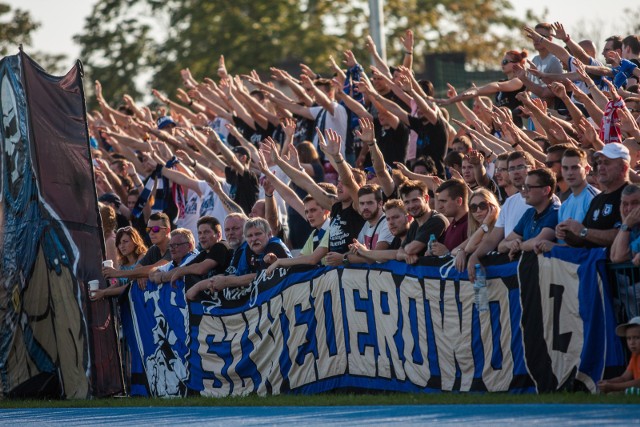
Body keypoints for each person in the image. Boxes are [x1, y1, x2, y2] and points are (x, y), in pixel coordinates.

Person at [467, 151, 535, 281]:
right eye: (511, 169)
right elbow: (493, 241)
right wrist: (474, 256)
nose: (515, 172)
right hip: (513, 276)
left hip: (534, 271)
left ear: (533, 169)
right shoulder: (509, 203)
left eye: (520, 167)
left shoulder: (544, 200)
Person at [557, 143, 630, 249]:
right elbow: (583, 240)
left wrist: (582, 231)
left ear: (624, 168)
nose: (601, 167)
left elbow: (623, 235)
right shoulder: (597, 199)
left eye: (607, 163)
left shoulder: (632, 196)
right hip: (595, 264)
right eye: (599, 162)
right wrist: (567, 233)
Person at [498, 169, 559, 260]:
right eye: (524, 187)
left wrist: (519, 246)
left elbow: (538, 242)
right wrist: (510, 244)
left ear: (545, 190)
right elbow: (501, 246)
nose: (524, 191)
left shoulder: (555, 212)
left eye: (528, 187)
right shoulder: (529, 213)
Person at [157, 216, 232, 287]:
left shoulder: (221, 246)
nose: (202, 236)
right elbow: (186, 267)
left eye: (206, 232)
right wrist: (162, 277)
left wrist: (180, 272)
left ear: (218, 235)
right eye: (200, 233)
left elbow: (201, 269)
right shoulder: (205, 252)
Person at [102, 212, 172, 282]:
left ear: (167, 231)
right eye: (148, 229)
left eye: (156, 229)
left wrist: (116, 273)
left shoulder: (174, 247)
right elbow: (137, 270)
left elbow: (155, 268)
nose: (151, 233)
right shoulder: (154, 249)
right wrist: (140, 275)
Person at [397, 180, 449, 264]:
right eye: (407, 202)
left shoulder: (437, 220)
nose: (411, 206)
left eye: (415, 200)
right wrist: (406, 256)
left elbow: (411, 249)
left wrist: (406, 251)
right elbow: (399, 253)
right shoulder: (415, 224)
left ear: (426, 198)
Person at [90, 226, 148, 299]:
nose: (122, 246)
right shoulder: (122, 265)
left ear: (135, 241)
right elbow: (118, 284)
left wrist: (104, 293)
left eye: (125, 242)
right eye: (119, 243)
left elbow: (130, 286)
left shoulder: (142, 257)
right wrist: (100, 292)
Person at [455, 189, 500, 272]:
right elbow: (453, 251)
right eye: (473, 208)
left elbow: (469, 248)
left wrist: (485, 223)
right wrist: (460, 251)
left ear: (492, 207)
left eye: (483, 206)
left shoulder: (499, 229)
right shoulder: (479, 232)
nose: (478, 211)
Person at [598, 317, 640, 393]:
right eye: (628, 338)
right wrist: (607, 382)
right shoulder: (635, 356)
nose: (632, 342)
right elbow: (624, 378)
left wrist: (613, 387)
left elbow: (638, 382)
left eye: (637, 337)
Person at [432, 179, 469, 254]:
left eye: (444, 201)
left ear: (459, 201)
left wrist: (447, 253)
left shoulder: (471, 225)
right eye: (439, 201)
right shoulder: (451, 226)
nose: (440, 207)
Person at [610, 185, 640, 263]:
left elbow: (620, 256)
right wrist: (625, 222)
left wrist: (626, 223)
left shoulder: (628, 225)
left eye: (635, 203)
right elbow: (613, 256)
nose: (629, 209)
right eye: (625, 204)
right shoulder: (629, 226)